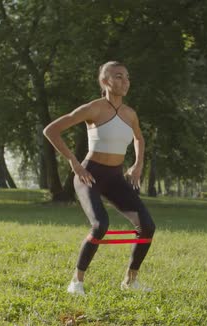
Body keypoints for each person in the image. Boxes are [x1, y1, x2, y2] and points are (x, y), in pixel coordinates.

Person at [43, 61, 156, 296]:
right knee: (100, 225)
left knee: (147, 226)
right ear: (105, 82)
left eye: (127, 77)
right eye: (118, 77)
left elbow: (139, 139)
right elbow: (51, 130)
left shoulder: (130, 114)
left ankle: (130, 280)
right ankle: (77, 282)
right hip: (90, 175)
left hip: (115, 178)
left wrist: (137, 164)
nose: (125, 82)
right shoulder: (94, 108)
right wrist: (74, 163)